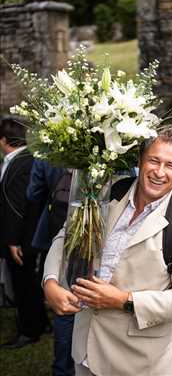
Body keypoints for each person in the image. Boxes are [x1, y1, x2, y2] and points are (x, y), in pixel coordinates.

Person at [43, 126, 172, 376]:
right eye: (153, 160)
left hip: (139, 362)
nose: (159, 172)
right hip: (85, 350)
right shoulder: (108, 192)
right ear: (141, 160)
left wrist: (124, 300)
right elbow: (67, 236)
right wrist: (50, 281)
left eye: (170, 165)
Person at [0, 116, 48, 349]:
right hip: (24, 235)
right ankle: (40, 321)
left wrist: (12, 240)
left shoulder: (23, 162)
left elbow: (18, 205)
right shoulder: (24, 158)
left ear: (3, 139)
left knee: (23, 284)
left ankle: (29, 330)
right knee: (29, 282)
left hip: (21, 238)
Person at [27, 159, 74, 376]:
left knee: (65, 301)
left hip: (59, 228)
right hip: (96, 235)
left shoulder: (47, 154)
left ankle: (63, 368)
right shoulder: (123, 147)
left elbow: (33, 193)